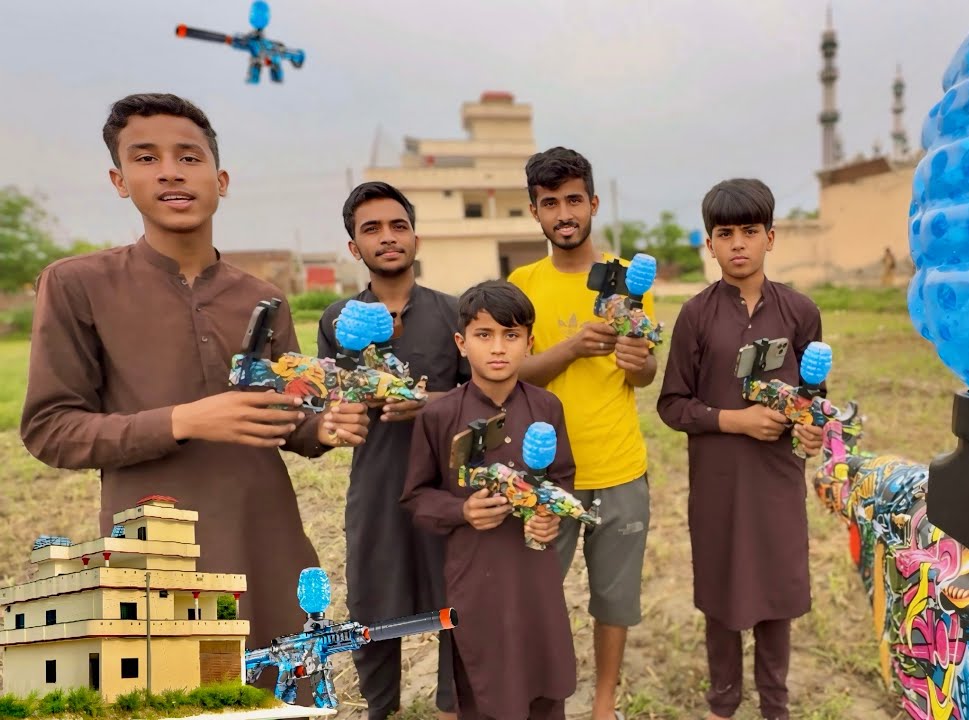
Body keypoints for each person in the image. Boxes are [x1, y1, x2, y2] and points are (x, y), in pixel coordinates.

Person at [19, 93, 370, 656]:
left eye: (188, 157)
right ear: (118, 180)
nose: (168, 172)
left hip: (267, 538)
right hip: (158, 550)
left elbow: (290, 419)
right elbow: (51, 429)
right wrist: (185, 419)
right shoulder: (77, 284)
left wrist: (325, 428)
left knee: (279, 691)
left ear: (220, 179)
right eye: (145, 157)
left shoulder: (263, 297)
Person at [655, 178, 824, 720]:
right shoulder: (696, 315)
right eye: (725, 233)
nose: (738, 244)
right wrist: (735, 420)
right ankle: (722, 703)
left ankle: (776, 705)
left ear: (771, 237)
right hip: (719, 484)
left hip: (777, 478)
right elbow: (673, 405)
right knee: (723, 593)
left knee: (778, 591)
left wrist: (813, 430)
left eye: (750, 231)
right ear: (710, 244)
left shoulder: (800, 312)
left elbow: (813, 399)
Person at [507, 146, 655, 720]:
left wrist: (634, 357)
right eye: (550, 203)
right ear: (535, 213)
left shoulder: (627, 281)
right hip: (546, 474)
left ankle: (603, 701)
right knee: (538, 596)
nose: (563, 213)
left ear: (593, 203)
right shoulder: (522, 285)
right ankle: (547, 696)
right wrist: (572, 347)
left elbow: (644, 376)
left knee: (614, 600)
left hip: (620, 467)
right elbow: (511, 373)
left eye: (573, 200)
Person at [316, 181, 468, 720]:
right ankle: (381, 710)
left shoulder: (456, 315)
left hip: (446, 490)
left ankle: (455, 708)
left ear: (416, 239)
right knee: (373, 609)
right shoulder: (337, 321)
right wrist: (333, 419)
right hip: (377, 489)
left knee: (456, 608)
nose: (387, 237)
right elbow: (328, 405)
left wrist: (430, 403)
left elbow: (486, 405)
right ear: (355, 248)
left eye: (398, 225)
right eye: (371, 229)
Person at [400, 280, 577, 720]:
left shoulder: (547, 408)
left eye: (511, 335)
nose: (498, 348)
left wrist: (551, 515)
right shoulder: (440, 416)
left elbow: (563, 479)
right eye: (484, 335)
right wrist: (462, 510)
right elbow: (416, 498)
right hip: (474, 574)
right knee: (484, 682)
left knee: (543, 674)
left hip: (534, 573)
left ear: (529, 343)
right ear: (461, 343)